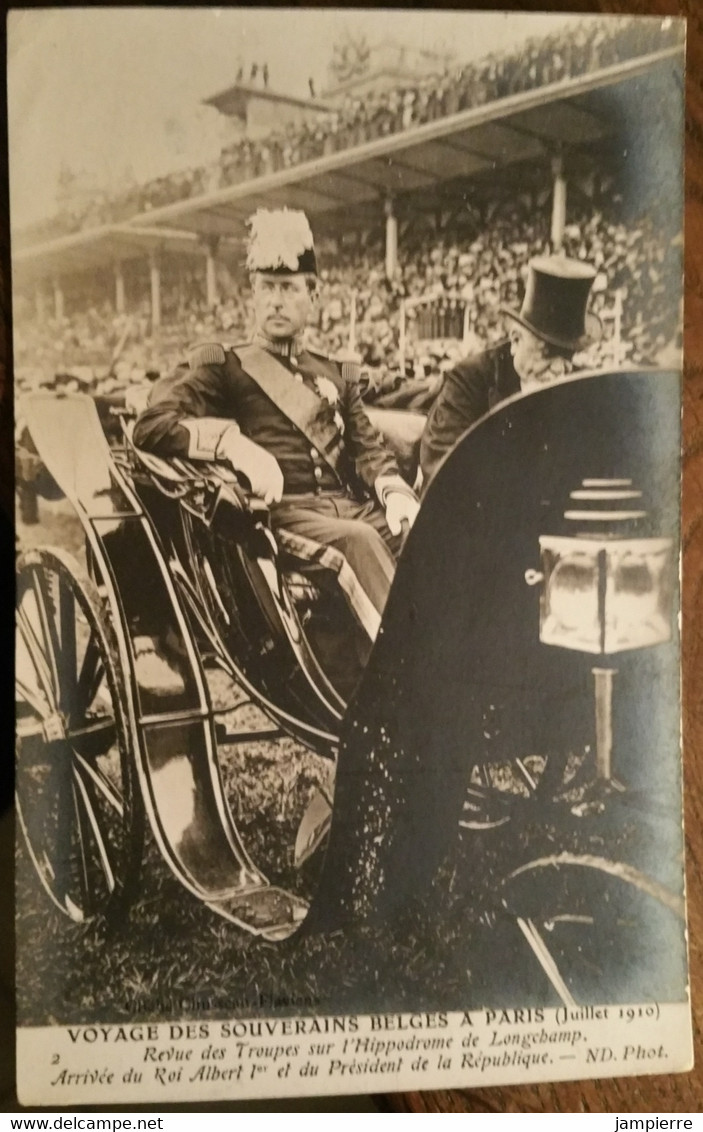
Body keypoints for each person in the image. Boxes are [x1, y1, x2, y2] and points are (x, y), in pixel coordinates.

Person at [133, 208, 419, 688]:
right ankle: (406, 683)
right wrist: (231, 445)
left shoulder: (335, 372)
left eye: (288, 289)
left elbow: (367, 446)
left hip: (349, 509)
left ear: (313, 295)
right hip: (281, 515)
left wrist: (393, 491)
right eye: (266, 287)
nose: (276, 301)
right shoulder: (224, 366)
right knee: (359, 542)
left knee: (424, 531)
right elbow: (152, 425)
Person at [419, 255, 599, 488]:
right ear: (515, 340)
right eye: (546, 353)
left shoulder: (581, 387)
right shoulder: (471, 379)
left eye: (568, 355)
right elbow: (443, 469)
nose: (559, 368)